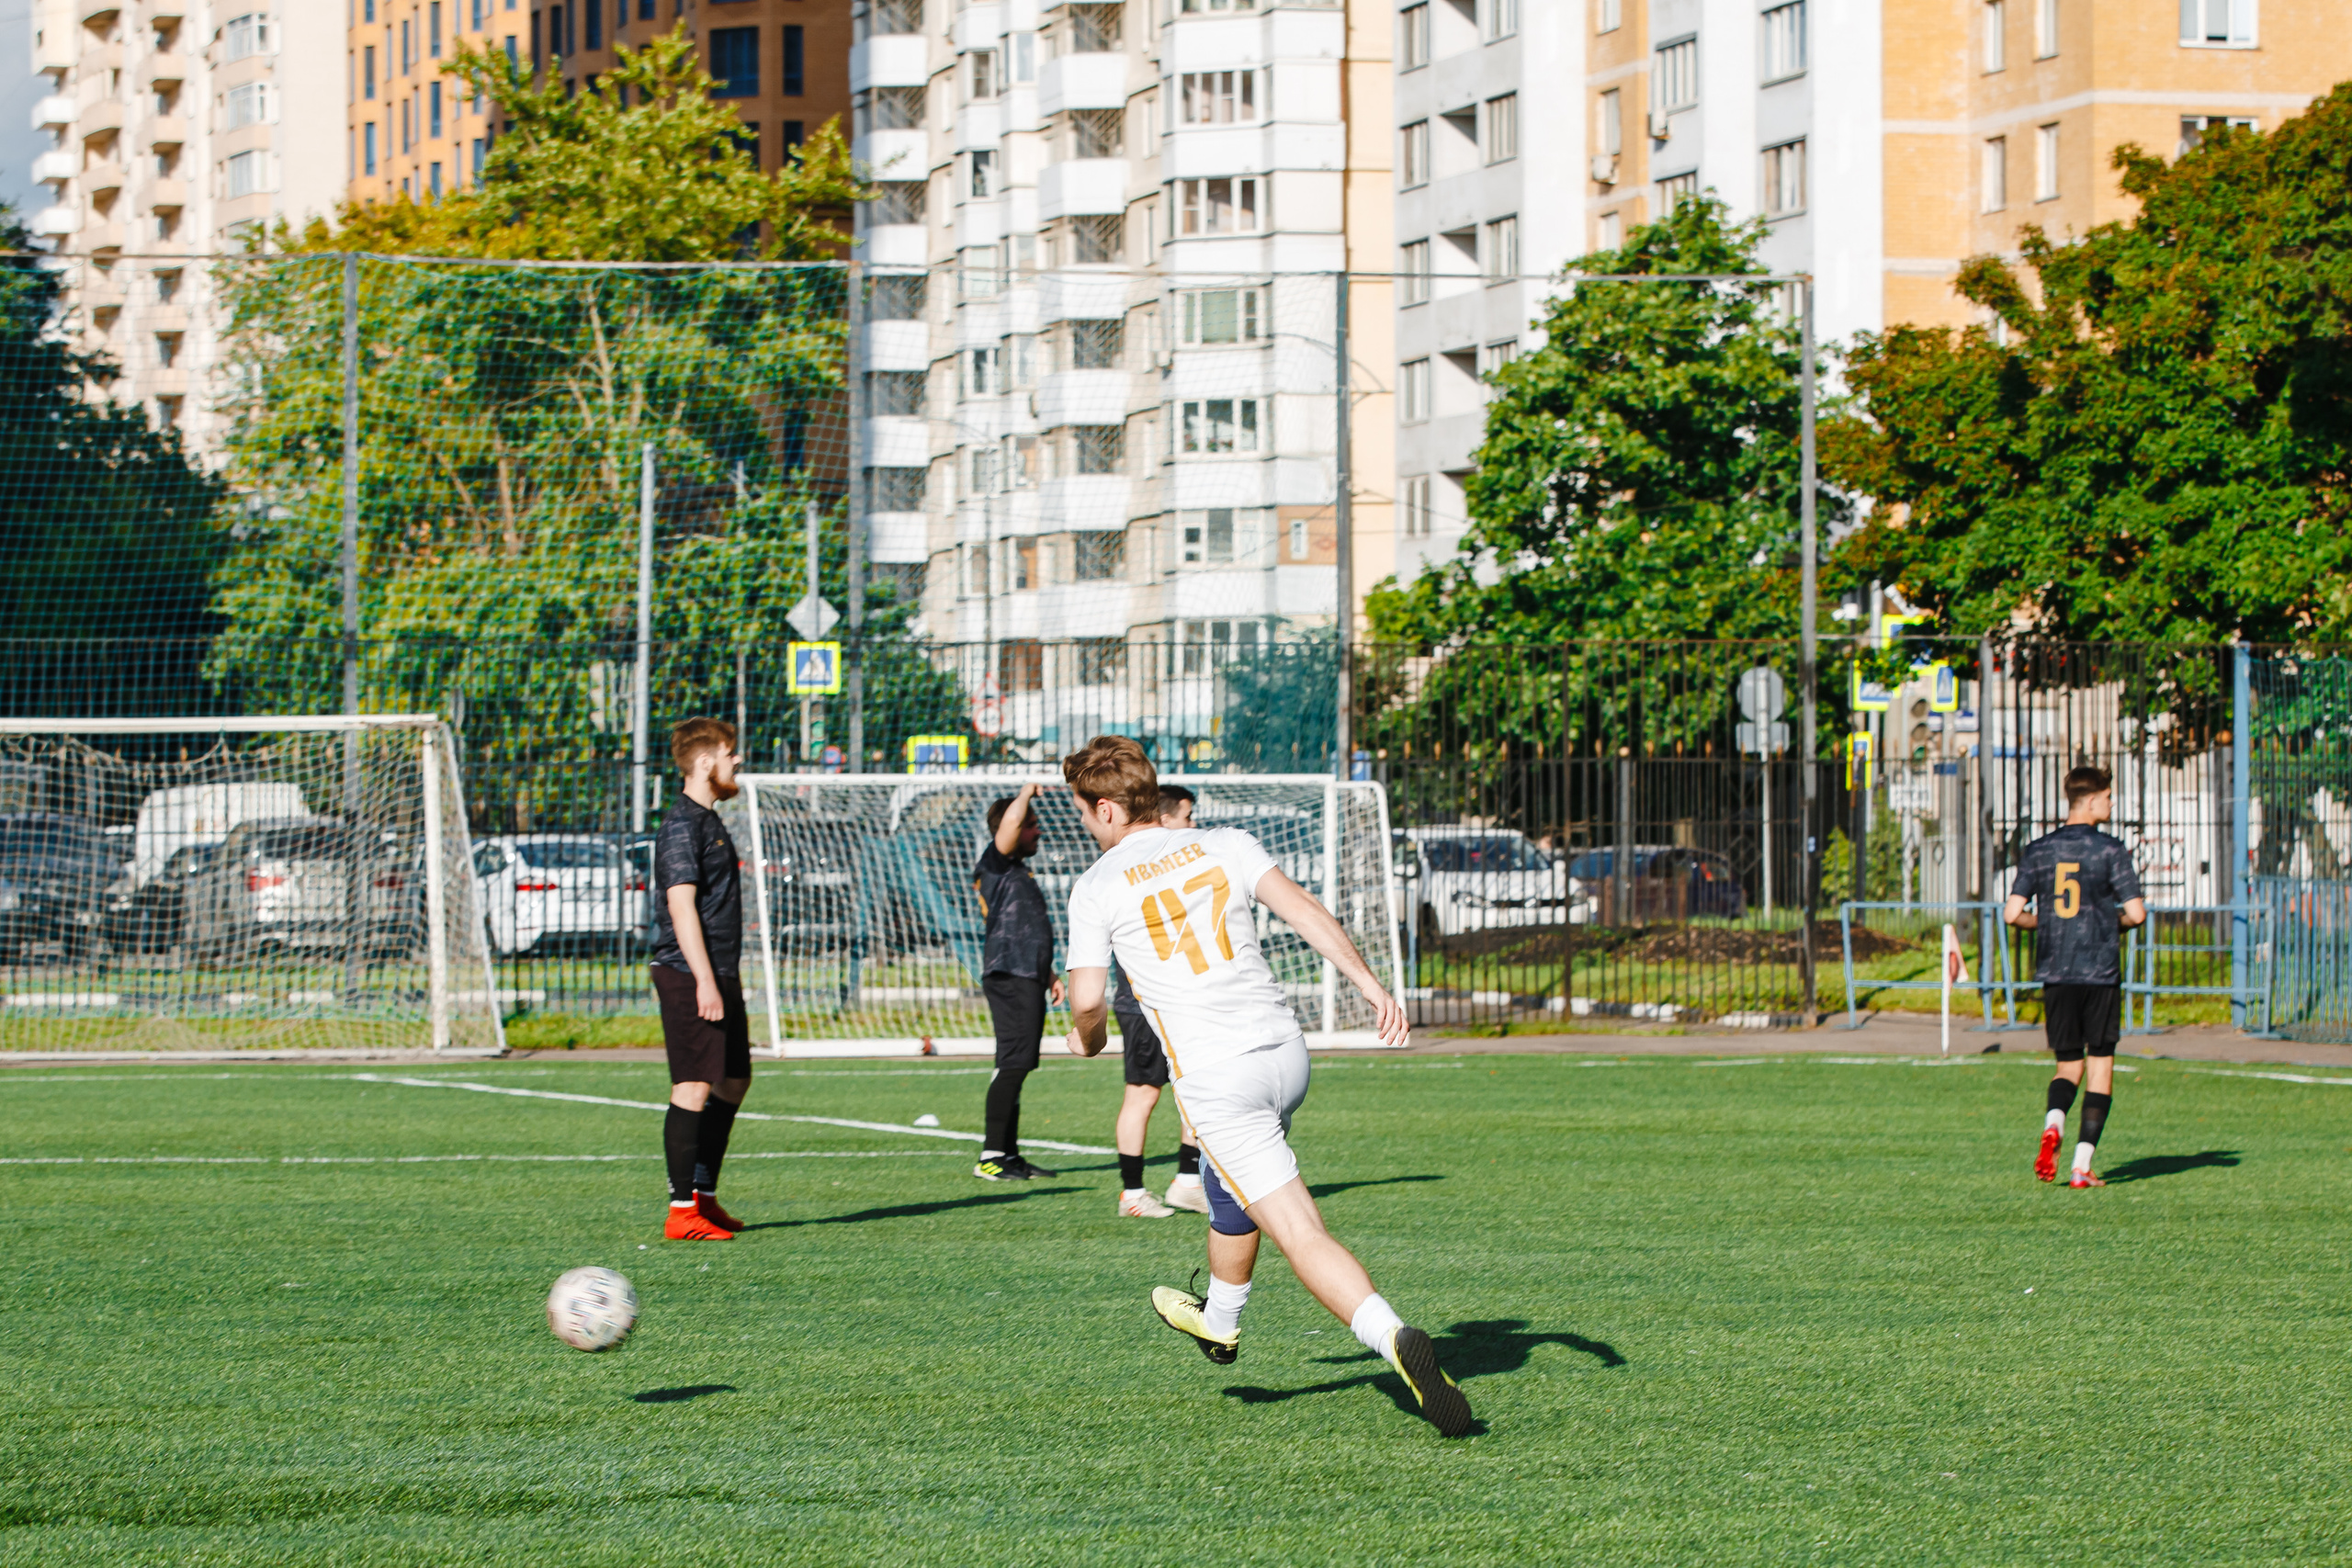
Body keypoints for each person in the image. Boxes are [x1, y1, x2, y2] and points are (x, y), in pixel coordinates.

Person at [1058, 736, 1473, 1438]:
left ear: (1104, 808)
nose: (1083, 823)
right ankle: (1219, 1322)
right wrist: (1371, 986)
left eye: (1081, 810)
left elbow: (1089, 1000)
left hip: (1220, 1078)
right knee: (1227, 1185)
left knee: (1299, 1229)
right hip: (1285, 1054)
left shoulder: (1097, 885)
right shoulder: (1224, 842)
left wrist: (1088, 1039)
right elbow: (1304, 909)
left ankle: (1393, 1335)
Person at [2005, 763, 2147, 1189]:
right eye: (2108, 797)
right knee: (2100, 1067)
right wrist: (2108, 923)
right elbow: (2137, 913)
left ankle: (2054, 1124)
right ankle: (2081, 1167)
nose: (2112, 803)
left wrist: (2045, 923)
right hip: (2099, 971)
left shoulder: (2039, 849)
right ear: (2092, 800)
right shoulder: (2110, 850)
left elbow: (2012, 913)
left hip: (2056, 971)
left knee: (2068, 1065)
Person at [648, 717, 754, 1241]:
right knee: (692, 1085)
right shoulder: (681, 825)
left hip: (718, 972)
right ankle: (680, 1210)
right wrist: (704, 982)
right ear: (706, 761)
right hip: (687, 973)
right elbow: (681, 907)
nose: (738, 760)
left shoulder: (710, 820)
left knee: (734, 1079)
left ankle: (704, 1195)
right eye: (731, 753)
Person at [1110, 783, 1207, 1218]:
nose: (1194, 823)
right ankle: (1132, 1193)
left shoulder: (1180, 866)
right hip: (1143, 1003)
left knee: (1198, 1088)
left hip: (1181, 1000)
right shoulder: (1131, 869)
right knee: (1143, 1095)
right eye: (1187, 816)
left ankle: (1187, 1182)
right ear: (1165, 819)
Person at [973, 783, 1064, 1181]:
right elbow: (1010, 824)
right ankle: (991, 1157)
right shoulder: (996, 861)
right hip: (1010, 975)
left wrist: (1048, 973)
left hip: (1025, 973)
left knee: (1016, 1063)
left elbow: (1026, 929)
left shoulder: (1016, 870)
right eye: (1031, 825)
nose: (1037, 831)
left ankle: (1007, 1155)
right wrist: (1026, 792)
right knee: (1014, 1063)